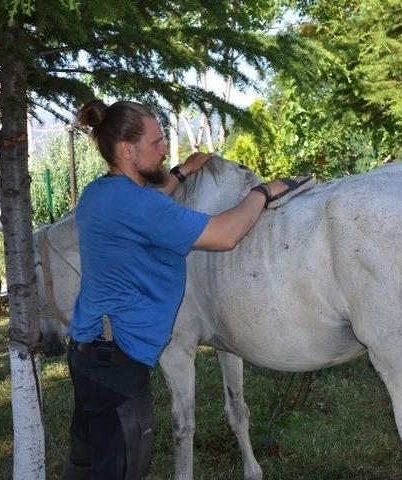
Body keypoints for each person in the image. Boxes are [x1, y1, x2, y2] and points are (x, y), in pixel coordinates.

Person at [63, 99, 292, 479]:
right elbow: (226, 234)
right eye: (156, 143)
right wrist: (262, 193)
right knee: (120, 468)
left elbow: (148, 200)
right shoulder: (142, 208)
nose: (165, 149)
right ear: (126, 149)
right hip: (118, 369)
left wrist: (181, 173)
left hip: (88, 356)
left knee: (84, 462)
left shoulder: (97, 194)